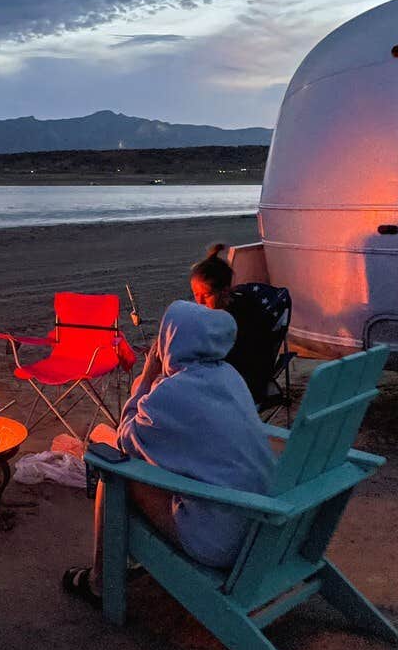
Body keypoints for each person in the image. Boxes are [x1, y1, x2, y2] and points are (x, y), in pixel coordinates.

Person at [63, 301, 275, 603]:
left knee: (114, 472)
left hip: (219, 539)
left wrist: (148, 375)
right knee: (145, 465)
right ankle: (129, 560)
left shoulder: (173, 393)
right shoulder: (230, 377)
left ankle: (100, 581)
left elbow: (127, 439)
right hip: (259, 526)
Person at [191, 243, 291, 402]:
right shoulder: (219, 309)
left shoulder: (237, 317)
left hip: (243, 379)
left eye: (206, 295)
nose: (200, 301)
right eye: (196, 294)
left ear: (224, 291)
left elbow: (233, 354)